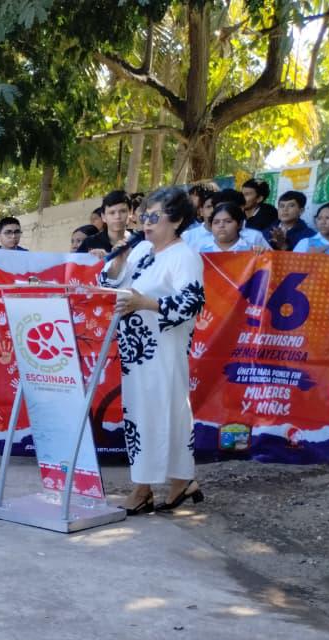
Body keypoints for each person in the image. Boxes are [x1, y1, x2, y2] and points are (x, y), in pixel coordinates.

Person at [98, 185, 206, 515]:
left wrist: (147, 303)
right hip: (136, 353)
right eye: (144, 215)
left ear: (175, 220)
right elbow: (111, 283)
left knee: (160, 414)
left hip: (163, 352)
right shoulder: (144, 249)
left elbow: (192, 302)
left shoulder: (185, 256)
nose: (146, 223)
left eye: (154, 217)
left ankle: (142, 488)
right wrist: (117, 261)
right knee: (147, 415)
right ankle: (180, 482)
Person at [79, 190, 133, 256]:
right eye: (112, 213)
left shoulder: (140, 240)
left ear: (130, 212)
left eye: (123, 211)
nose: (117, 217)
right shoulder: (90, 243)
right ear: (103, 217)